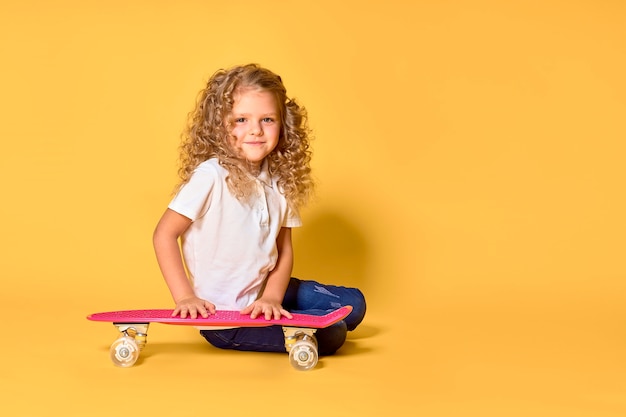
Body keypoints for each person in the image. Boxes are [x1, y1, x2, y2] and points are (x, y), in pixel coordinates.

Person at [153, 63, 366, 356]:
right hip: (228, 319)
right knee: (333, 334)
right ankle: (302, 322)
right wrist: (185, 297)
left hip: (266, 292)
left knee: (355, 303)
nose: (255, 130)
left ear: (283, 124)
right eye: (241, 119)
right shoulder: (211, 176)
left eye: (267, 119)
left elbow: (284, 251)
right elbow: (164, 235)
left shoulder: (280, 180)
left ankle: (287, 312)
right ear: (220, 125)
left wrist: (272, 298)